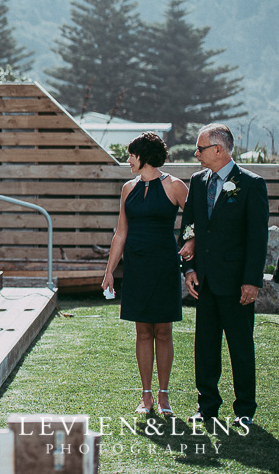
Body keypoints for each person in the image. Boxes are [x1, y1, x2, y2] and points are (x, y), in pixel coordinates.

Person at [179, 123, 268, 428]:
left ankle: (244, 408)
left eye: (200, 148)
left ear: (218, 149)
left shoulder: (252, 184)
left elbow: (257, 238)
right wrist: (188, 268)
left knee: (240, 346)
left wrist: (252, 280)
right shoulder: (198, 180)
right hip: (203, 280)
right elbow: (189, 223)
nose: (196, 153)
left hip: (236, 282)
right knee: (205, 347)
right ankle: (207, 406)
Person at [102, 132, 189, 417]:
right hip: (137, 266)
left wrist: (191, 244)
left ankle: (164, 396)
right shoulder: (128, 188)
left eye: (131, 155)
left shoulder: (175, 186)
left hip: (164, 265)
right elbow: (121, 232)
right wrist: (109, 271)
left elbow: (195, 222)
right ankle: (146, 396)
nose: (128, 160)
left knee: (163, 331)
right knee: (142, 331)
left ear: (144, 157)